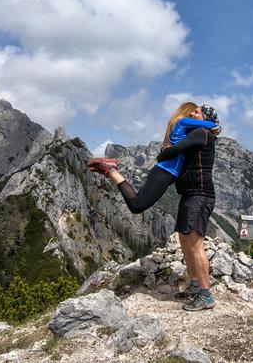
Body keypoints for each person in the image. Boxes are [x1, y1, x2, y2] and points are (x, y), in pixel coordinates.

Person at [86, 102, 219, 214]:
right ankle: (111, 170)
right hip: (166, 171)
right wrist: (217, 126)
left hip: (166, 171)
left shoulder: (184, 129)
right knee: (137, 205)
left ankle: (110, 170)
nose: (193, 115)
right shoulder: (183, 122)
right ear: (187, 113)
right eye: (192, 112)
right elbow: (212, 126)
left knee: (137, 205)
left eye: (196, 113)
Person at [155, 108, 218, 311]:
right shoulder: (199, 133)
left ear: (205, 120)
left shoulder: (201, 133)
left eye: (197, 113)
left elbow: (174, 150)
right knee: (185, 240)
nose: (192, 114)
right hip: (191, 193)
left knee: (195, 244)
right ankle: (194, 286)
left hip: (199, 195)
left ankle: (206, 295)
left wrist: (164, 152)